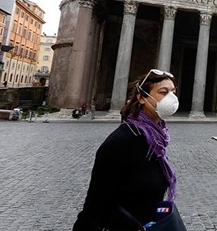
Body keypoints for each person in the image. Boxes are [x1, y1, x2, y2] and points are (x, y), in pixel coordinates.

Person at [73, 69, 179, 231]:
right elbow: (96, 202)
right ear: (141, 97)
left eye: (173, 92)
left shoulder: (156, 140)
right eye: (163, 92)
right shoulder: (123, 141)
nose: (171, 98)